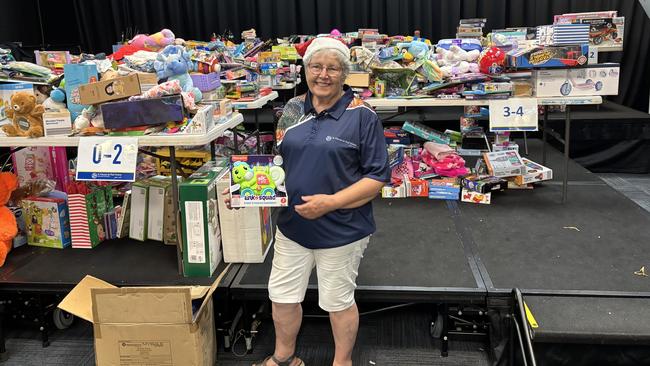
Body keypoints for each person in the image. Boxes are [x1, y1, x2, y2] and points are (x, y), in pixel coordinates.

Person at [225, 37, 390, 366]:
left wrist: (330, 203)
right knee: (282, 298)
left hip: (342, 229)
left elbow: (376, 179)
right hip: (292, 227)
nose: (323, 74)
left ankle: (342, 361)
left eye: (332, 68)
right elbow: (278, 165)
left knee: (338, 301)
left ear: (344, 74)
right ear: (306, 70)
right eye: (316, 66)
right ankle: (284, 357)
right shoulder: (291, 110)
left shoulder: (362, 116)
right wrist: (249, 191)